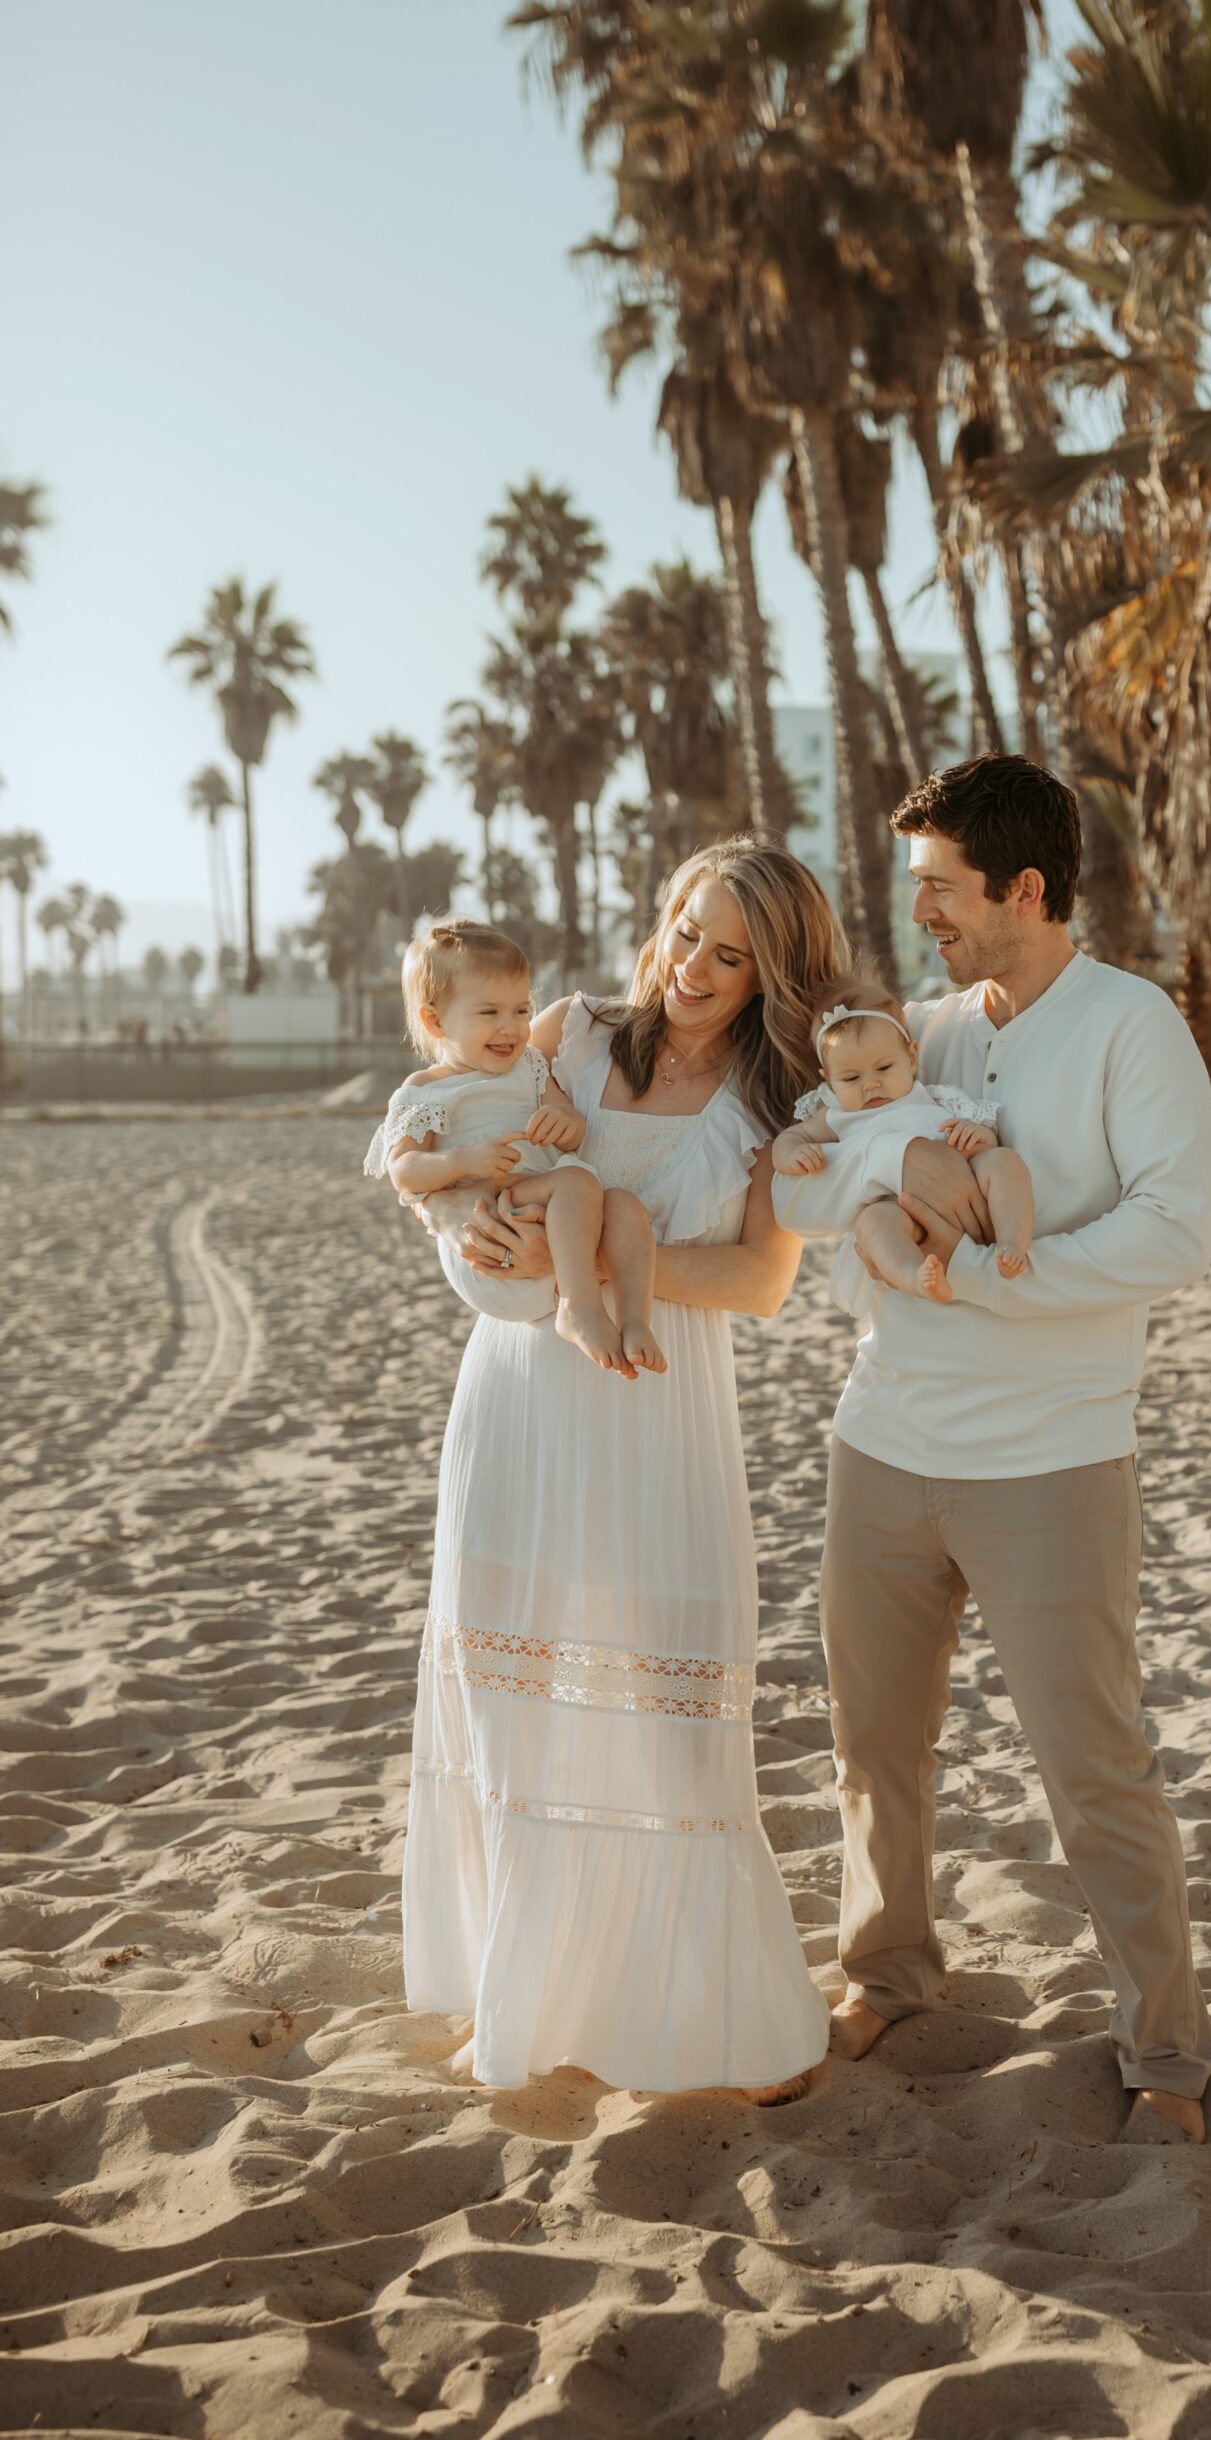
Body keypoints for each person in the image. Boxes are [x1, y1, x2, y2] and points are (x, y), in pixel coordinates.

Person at [771, 755, 1211, 2143]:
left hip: (1053, 1460)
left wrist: (985, 1281)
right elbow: (819, 1172)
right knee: (873, 1746)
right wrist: (893, 1197)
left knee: (1095, 1767)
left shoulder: (1131, 1026)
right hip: (880, 1442)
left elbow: (1171, 1231)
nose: (924, 918)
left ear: (1024, 889)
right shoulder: (919, 1031)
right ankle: (887, 1972)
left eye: (941, 890)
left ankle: (1163, 2057)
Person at [399, 843, 843, 2100]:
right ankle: (519, 1992)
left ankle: (694, 2010)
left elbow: (760, 1282)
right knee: (513, 1683)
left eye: (730, 953)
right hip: (522, 1394)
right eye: (685, 931)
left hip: (656, 1400)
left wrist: (592, 1280)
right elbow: (446, 1144)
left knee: (662, 1708)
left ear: (772, 973)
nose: (691, 968)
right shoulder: (567, 1032)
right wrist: (469, 1226)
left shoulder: (778, 1100)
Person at [366, 917, 664, 1375]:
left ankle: (634, 1320)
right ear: (435, 1020)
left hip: (548, 1206)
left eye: (521, 1011)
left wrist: (562, 1122)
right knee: (577, 1184)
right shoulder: (426, 1090)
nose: (511, 1028)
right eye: (489, 1013)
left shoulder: (530, 1068)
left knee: (623, 1205)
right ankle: (578, 1306)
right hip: (493, 1217)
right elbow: (403, 1170)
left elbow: (573, 1125)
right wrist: (461, 1160)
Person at [774, 968, 1033, 1300]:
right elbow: (790, 1139)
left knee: (1003, 1162)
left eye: (884, 1068)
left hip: (962, 1187)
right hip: (900, 1211)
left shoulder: (935, 1096)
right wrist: (791, 1155)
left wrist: (975, 1135)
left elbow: (986, 1140)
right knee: (873, 1224)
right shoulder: (834, 1115)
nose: (870, 1084)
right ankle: (916, 1276)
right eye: (851, 1078)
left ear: (911, 1057)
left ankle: (1011, 1242)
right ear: (828, 1079)